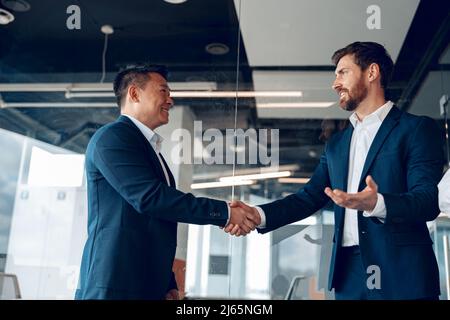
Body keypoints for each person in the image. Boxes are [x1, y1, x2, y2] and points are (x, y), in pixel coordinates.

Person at [226, 42, 444, 300]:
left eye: (343, 73)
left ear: (371, 72)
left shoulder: (416, 130)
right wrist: (258, 214)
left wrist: (378, 203)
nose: (335, 83)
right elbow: (309, 197)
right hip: (348, 273)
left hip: (402, 273)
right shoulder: (337, 144)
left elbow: (428, 201)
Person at [75, 64, 260, 300]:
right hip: (114, 284)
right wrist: (224, 213)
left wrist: (168, 282)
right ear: (134, 93)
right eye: (163, 91)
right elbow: (151, 199)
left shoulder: (149, 149)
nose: (170, 101)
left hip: (145, 285)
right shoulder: (112, 138)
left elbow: (157, 221)